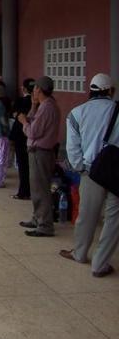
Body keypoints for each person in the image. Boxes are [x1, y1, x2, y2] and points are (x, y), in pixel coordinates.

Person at [59, 73, 119, 278]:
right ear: (111, 91)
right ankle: (100, 264)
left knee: (86, 215)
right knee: (114, 219)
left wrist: (80, 169)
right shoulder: (117, 110)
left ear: (90, 91)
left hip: (91, 171)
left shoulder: (77, 113)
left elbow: (72, 148)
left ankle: (80, 253)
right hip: (117, 172)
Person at [17, 75, 60, 237]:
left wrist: (23, 122)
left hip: (41, 152)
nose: (33, 91)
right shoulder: (43, 106)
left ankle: (45, 225)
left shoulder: (48, 108)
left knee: (41, 189)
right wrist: (33, 106)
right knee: (36, 188)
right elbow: (33, 120)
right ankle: (37, 218)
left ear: (39, 90)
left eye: (35, 88)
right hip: (39, 152)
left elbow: (33, 131)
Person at [9, 78, 35, 200]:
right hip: (33, 137)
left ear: (24, 88)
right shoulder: (38, 102)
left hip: (21, 136)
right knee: (32, 166)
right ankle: (31, 190)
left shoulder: (20, 101)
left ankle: (23, 191)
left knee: (23, 166)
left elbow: (15, 115)